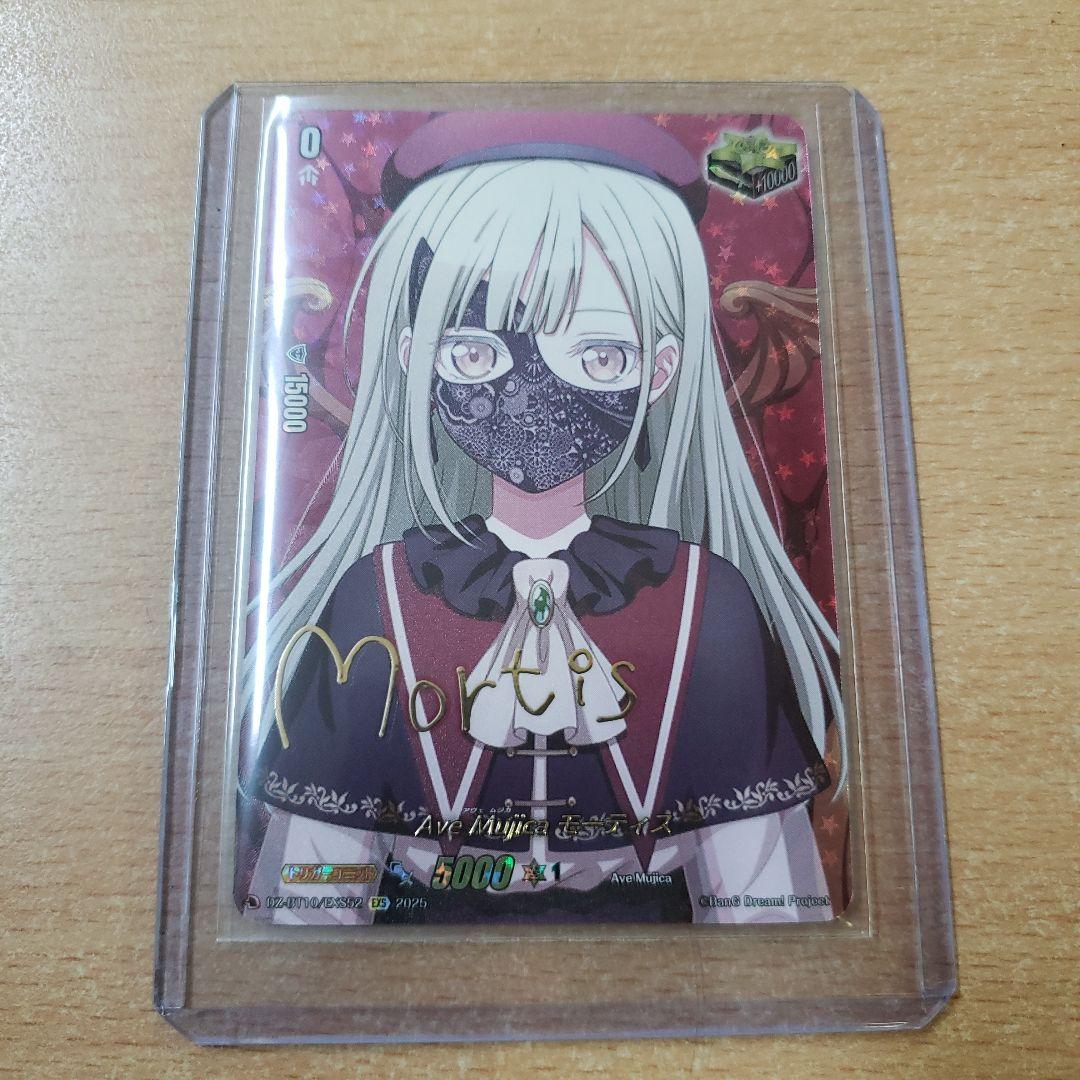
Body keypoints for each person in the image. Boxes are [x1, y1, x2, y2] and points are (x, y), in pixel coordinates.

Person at [240, 112, 843, 925]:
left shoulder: (707, 603)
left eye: (598, 355)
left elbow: (766, 903)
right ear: (416, 358)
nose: (532, 398)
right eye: (477, 352)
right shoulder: (374, 599)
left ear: (660, 370)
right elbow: (310, 896)